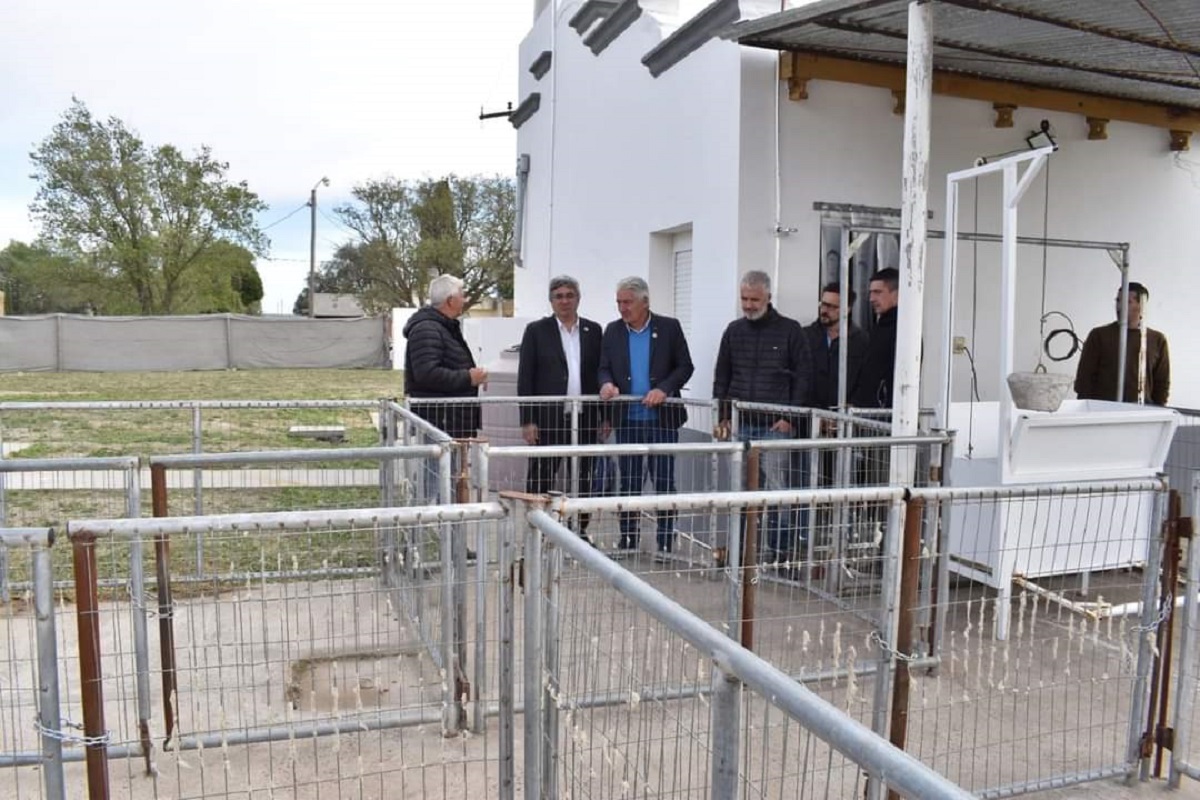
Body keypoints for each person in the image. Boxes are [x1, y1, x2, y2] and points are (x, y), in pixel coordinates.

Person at [713, 270, 811, 566]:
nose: (748, 305)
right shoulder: (733, 331)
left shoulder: (791, 330)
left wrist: (790, 417)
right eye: (744, 298)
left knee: (777, 493)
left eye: (754, 299)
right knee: (740, 493)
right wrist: (724, 416)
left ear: (768, 297)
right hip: (741, 425)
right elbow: (723, 376)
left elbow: (804, 376)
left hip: (776, 426)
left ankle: (778, 555)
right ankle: (740, 553)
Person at [599, 276, 694, 558]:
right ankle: (628, 540)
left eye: (627, 302)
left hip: (662, 422)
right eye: (618, 302)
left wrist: (664, 388)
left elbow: (685, 366)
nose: (622, 308)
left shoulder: (669, 328)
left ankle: (665, 543)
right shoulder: (613, 331)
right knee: (629, 483)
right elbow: (603, 368)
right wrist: (606, 384)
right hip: (627, 420)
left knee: (664, 482)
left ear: (645, 302)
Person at [517, 275, 608, 539]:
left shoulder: (594, 331)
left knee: (584, 478)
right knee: (541, 475)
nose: (565, 301)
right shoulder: (536, 331)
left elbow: (601, 373)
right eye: (559, 296)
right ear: (551, 300)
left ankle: (580, 530)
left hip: (586, 416)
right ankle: (539, 528)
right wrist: (528, 420)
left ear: (578, 298)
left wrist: (605, 416)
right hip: (549, 417)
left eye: (570, 295)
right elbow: (526, 378)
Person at [403, 274, 487, 440]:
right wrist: (468, 378)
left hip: (450, 423)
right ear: (450, 300)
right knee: (438, 466)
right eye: (462, 295)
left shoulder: (443, 327)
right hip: (438, 424)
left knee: (452, 466)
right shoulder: (427, 329)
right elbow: (426, 374)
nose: (465, 300)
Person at [1074, 282, 1170, 405]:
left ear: (1141, 306)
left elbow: (1162, 383)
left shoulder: (1156, 340)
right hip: (1102, 413)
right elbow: (1084, 379)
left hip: (1141, 414)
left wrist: (1158, 413)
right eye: (1118, 301)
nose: (1119, 306)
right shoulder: (1099, 335)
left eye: (1127, 302)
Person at [805, 282, 869, 411]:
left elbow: (865, 380)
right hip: (810, 416)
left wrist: (851, 407)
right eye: (823, 304)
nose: (824, 310)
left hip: (846, 418)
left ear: (847, 309)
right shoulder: (805, 336)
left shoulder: (861, 341)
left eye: (831, 306)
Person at [851, 267, 899, 410]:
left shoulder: (904, 330)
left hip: (885, 415)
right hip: (872, 413)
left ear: (897, 294)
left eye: (878, 292)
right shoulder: (880, 327)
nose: (871, 299)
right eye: (870, 293)